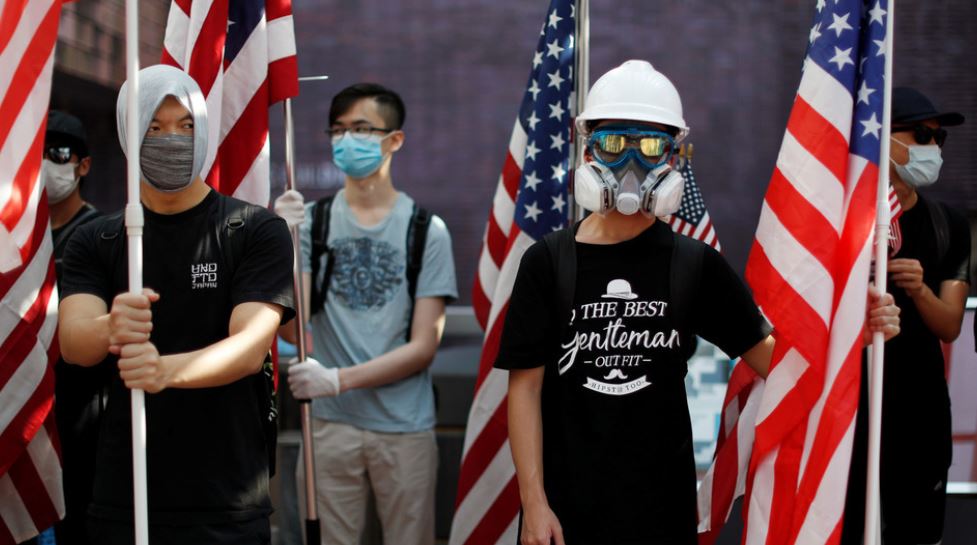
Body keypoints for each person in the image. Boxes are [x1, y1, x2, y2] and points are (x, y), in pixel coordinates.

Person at [495, 60, 901, 545]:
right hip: (564, 512)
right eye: (613, 143)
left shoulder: (693, 263)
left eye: (650, 146)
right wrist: (534, 504)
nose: (631, 162)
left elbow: (776, 363)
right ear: (587, 150)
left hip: (660, 511)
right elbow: (525, 389)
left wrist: (853, 329)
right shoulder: (547, 262)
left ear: (673, 158)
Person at [57, 65, 295, 545]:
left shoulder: (252, 230)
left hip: (227, 496)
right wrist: (110, 327)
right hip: (123, 494)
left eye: (186, 126)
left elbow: (250, 348)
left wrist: (163, 371)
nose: (172, 140)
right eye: (154, 127)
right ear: (128, 134)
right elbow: (74, 344)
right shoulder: (98, 239)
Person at [273, 82, 457, 545]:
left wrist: (337, 380)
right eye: (338, 130)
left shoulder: (426, 231)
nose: (346, 140)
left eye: (360, 128)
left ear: (394, 139)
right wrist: (281, 245)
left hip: (404, 428)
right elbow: (295, 331)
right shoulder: (313, 223)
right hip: (330, 427)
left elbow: (424, 347)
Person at [842, 87, 969, 545]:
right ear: (882, 138)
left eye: (938, 138)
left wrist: (919, 290)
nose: (932, 147)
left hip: (921, 413)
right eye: (921, 134)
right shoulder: (840, 218)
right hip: (850, 410)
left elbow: (949, 326)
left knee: (917, 532)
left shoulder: (947, 224)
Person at [43, 110, 104, 545]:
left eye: (59, 153)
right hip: (25, 407)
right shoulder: (17, 241)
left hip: (82, 415)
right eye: (37, 154)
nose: (47, 164)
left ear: (83, 165)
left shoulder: (100, 235)